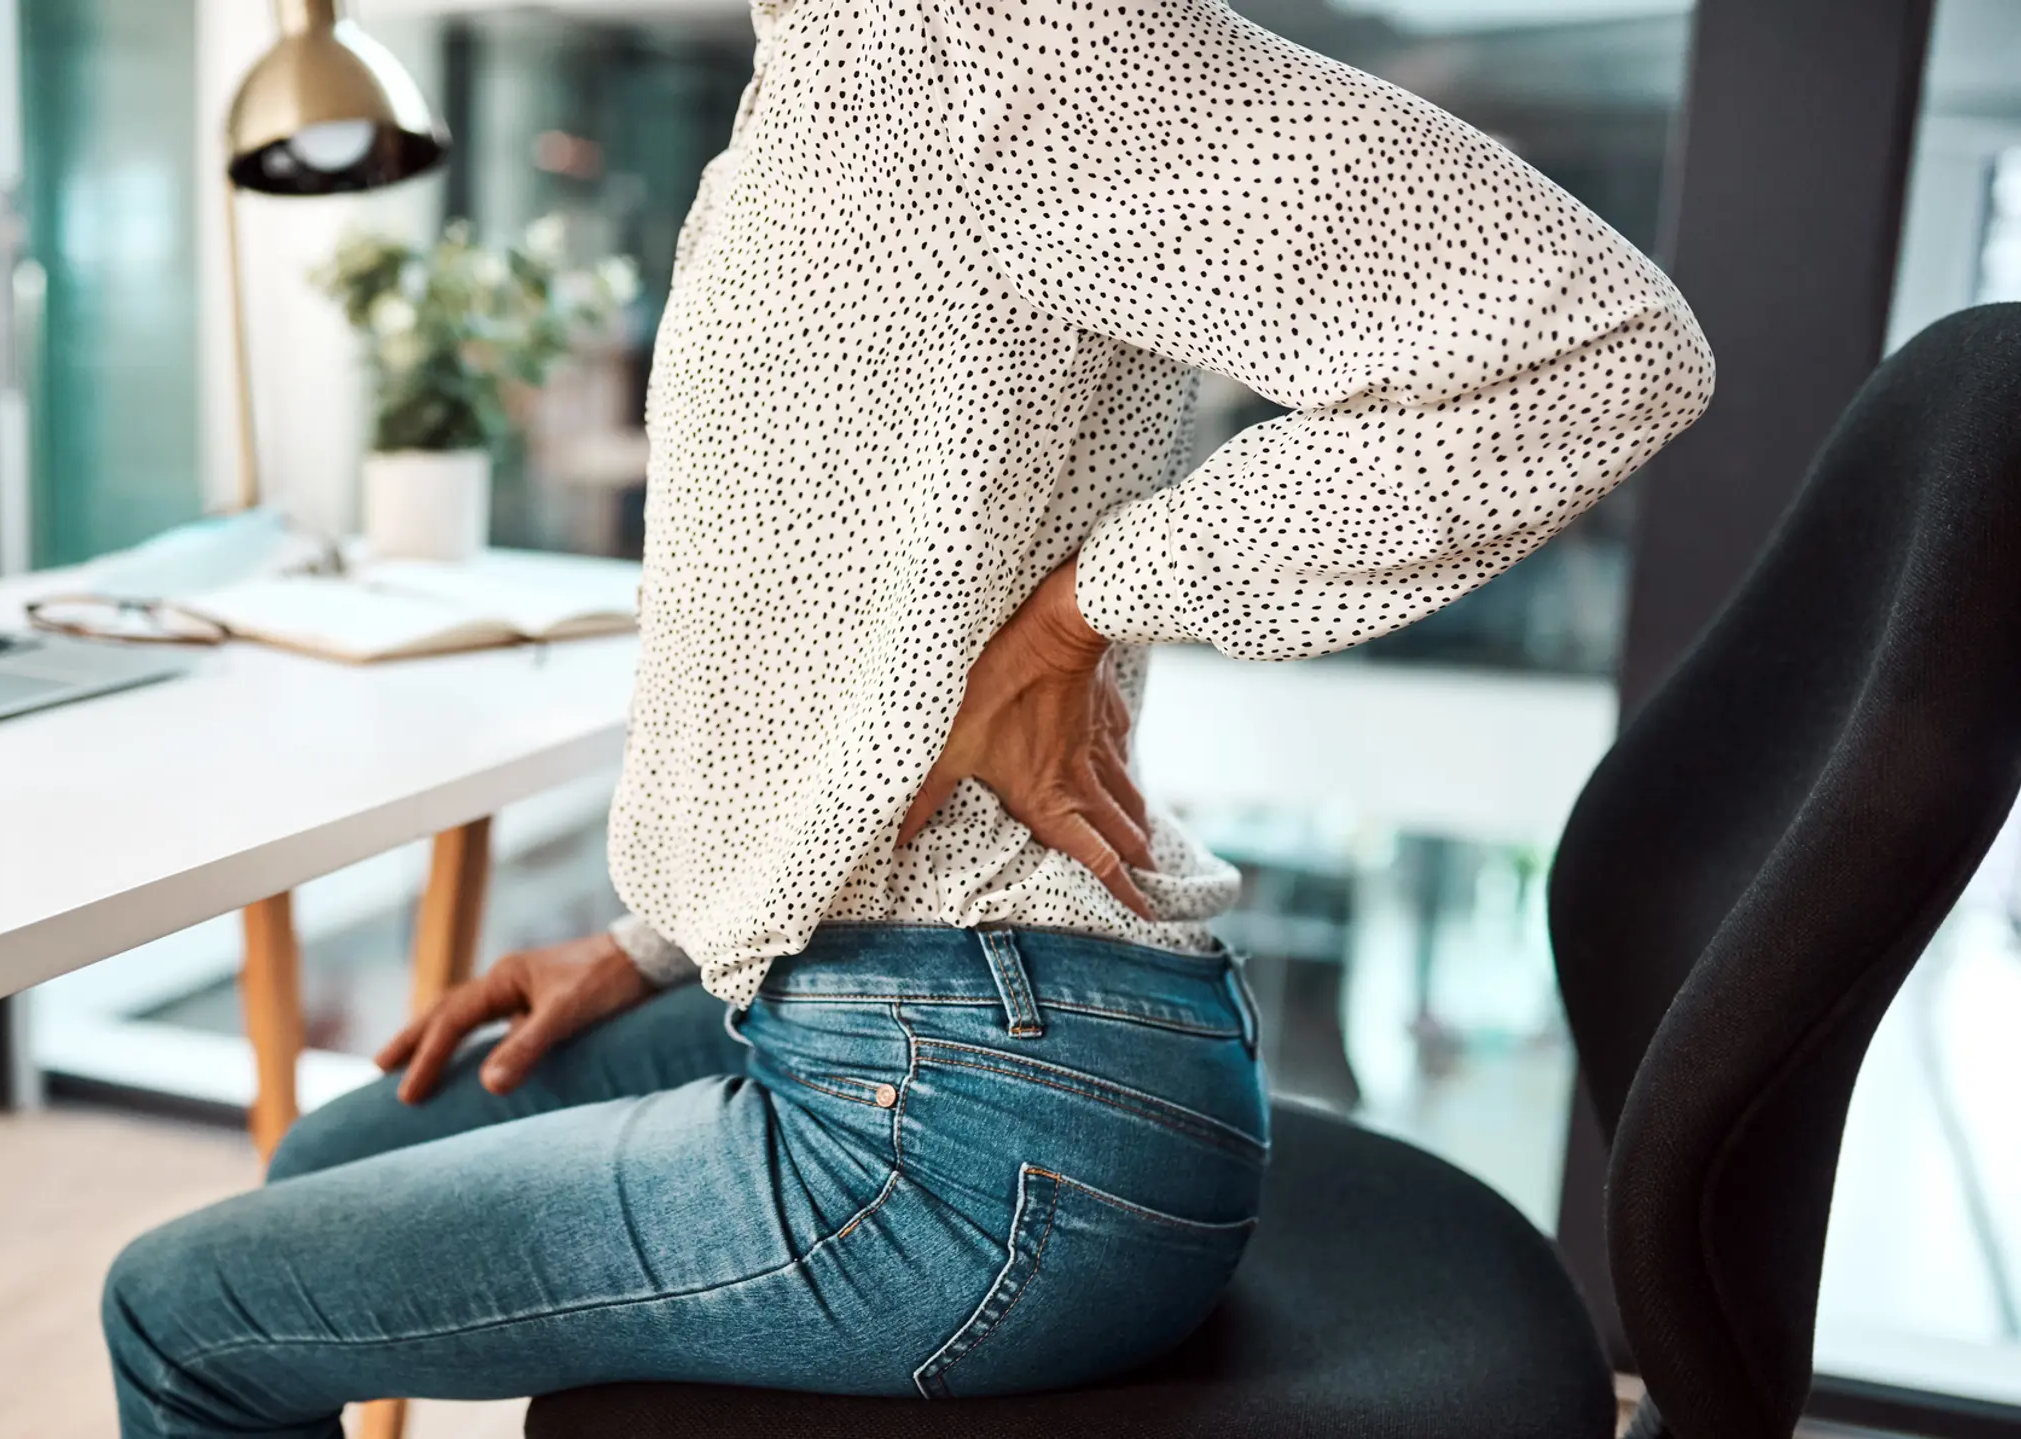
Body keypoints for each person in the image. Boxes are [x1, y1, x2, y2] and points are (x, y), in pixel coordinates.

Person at [103, 0, 1713, 1432]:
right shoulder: (819, 64)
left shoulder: (1018, 39)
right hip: (882, 990)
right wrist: (661, 937)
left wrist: (1084, 612)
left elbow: (1598, 351)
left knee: (182, 1315)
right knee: (332, 1163)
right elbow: (828, 628)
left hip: (985, 1107)